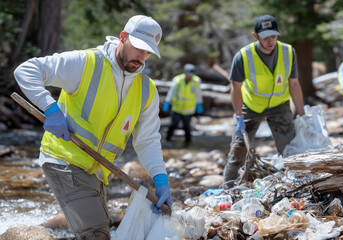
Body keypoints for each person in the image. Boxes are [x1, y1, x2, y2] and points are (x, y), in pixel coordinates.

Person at [14, 15, 172, 240]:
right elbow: (27, 70)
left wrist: (160, 179)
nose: (142, 56)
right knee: (96, 234)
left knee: (100, 230)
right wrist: (49, 107)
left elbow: (147, 140)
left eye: (148, 52)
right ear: (123, 37)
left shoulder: (146, 90)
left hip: (97, 172)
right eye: (138, 48)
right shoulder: (86, 63)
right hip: (64, 159)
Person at [223, 14, 305, 188]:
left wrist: (302, 114)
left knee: (291, 149)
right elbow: (236, 88)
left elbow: (294, 84)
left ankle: (297, 185)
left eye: (273, 36)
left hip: (279, 106)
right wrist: (238, 116)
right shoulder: (243, 56)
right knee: (238, 149)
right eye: (265, 36)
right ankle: (228, 188)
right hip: (251, 106)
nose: (270, 40)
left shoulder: (288, 52)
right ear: (255, 36)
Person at [163, 63, 203, 143]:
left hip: (188, 110)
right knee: (172, 125)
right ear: (184, 72)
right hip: (177, 107)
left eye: (191, 74)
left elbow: (198, 93)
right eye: (188, 74)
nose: (190, 76)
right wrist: (167, 101)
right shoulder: (177, 80)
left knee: (187, 127)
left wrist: (199, 103)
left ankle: (188, 143)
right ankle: (167, 140)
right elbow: (171, 91)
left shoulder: (196, 81)